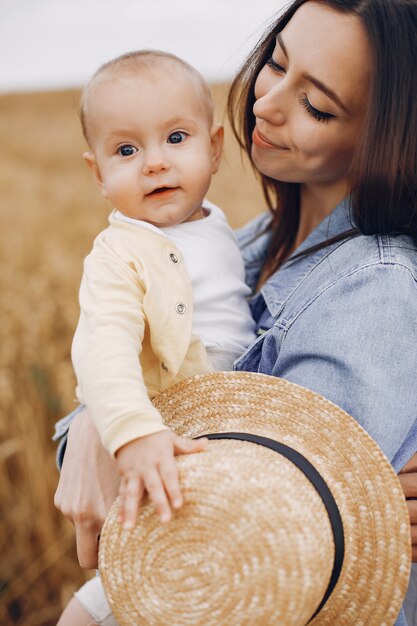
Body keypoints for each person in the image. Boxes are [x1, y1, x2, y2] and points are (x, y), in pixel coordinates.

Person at [54, 1, 417, 624]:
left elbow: (277, 521)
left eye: (317, 106)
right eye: (276, 62)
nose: (267, 104)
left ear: (385, 136)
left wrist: (109, 430)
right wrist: (94, 425)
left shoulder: (376, 286)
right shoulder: (240, 242)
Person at [56, 49, 256, 625]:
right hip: (169, 422)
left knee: (182, 564)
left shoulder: (214, 222)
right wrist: (134, 431)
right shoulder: (120, 253)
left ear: (214, 149)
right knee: (153, 557)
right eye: (126, 150)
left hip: (230, 411)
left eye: (175, 138)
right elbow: (104, 348)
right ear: (98, 173)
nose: (154, 164)